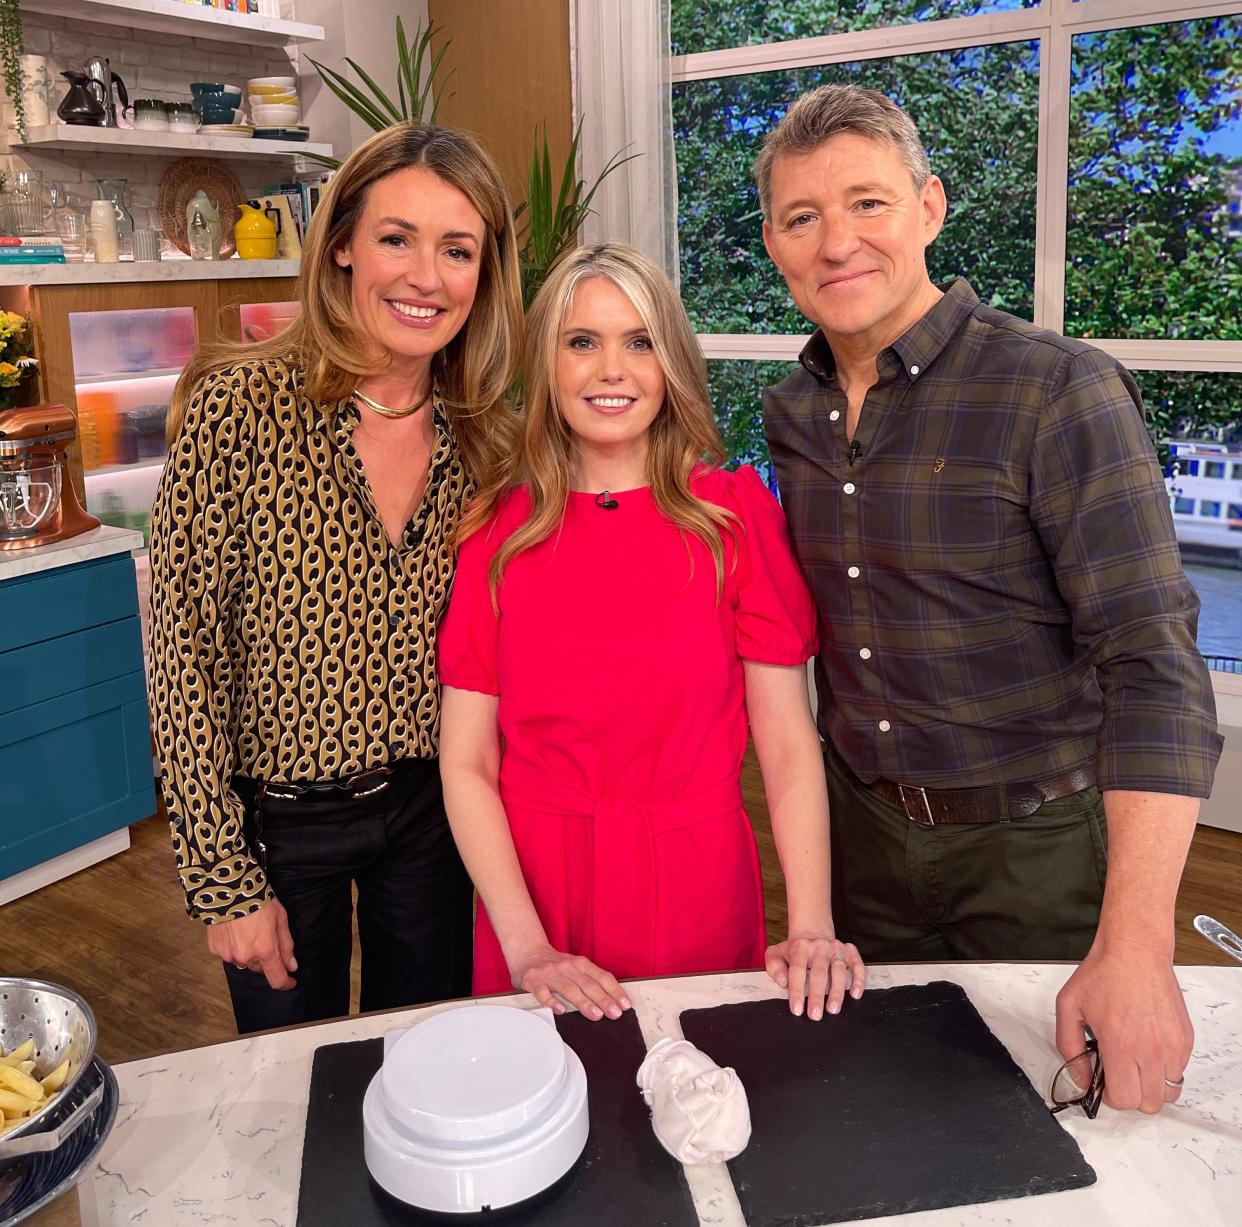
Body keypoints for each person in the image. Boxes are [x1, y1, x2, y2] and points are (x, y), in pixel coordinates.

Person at [756, 84, 1222, 1112]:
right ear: (774, 243)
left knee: (1067, 1125)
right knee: (871, 1109)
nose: (837, 242)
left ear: (929, 206)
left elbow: (1154, 668)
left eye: (867, 203)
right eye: (803, 217)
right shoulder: (789, 414)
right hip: (861, 837)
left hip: (1036, 852)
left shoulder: (1059, 392)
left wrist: (1138, 946)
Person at [147, 123, 523, 1033]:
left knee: (427, 1057)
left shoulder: (489, 437)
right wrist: (221, 878)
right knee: (292, 1084)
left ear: (485, 272)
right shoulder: (239, 407)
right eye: (397, 238)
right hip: (280, 829)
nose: (426, 277)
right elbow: (178, 654)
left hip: (432, 816)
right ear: (344, 243)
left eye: (457, 249)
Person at [438, 242, 865, 1023]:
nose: (612, 369)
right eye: (581, 341)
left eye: (639, 341)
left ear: (670, 361)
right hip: (536, 888)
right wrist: (526, 943)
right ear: (547, 362)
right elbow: (466, 759)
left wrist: (811, 925)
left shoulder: (732, 521)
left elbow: (786, 740)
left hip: (696, 878)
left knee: (699, 1116)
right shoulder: (496, 535)